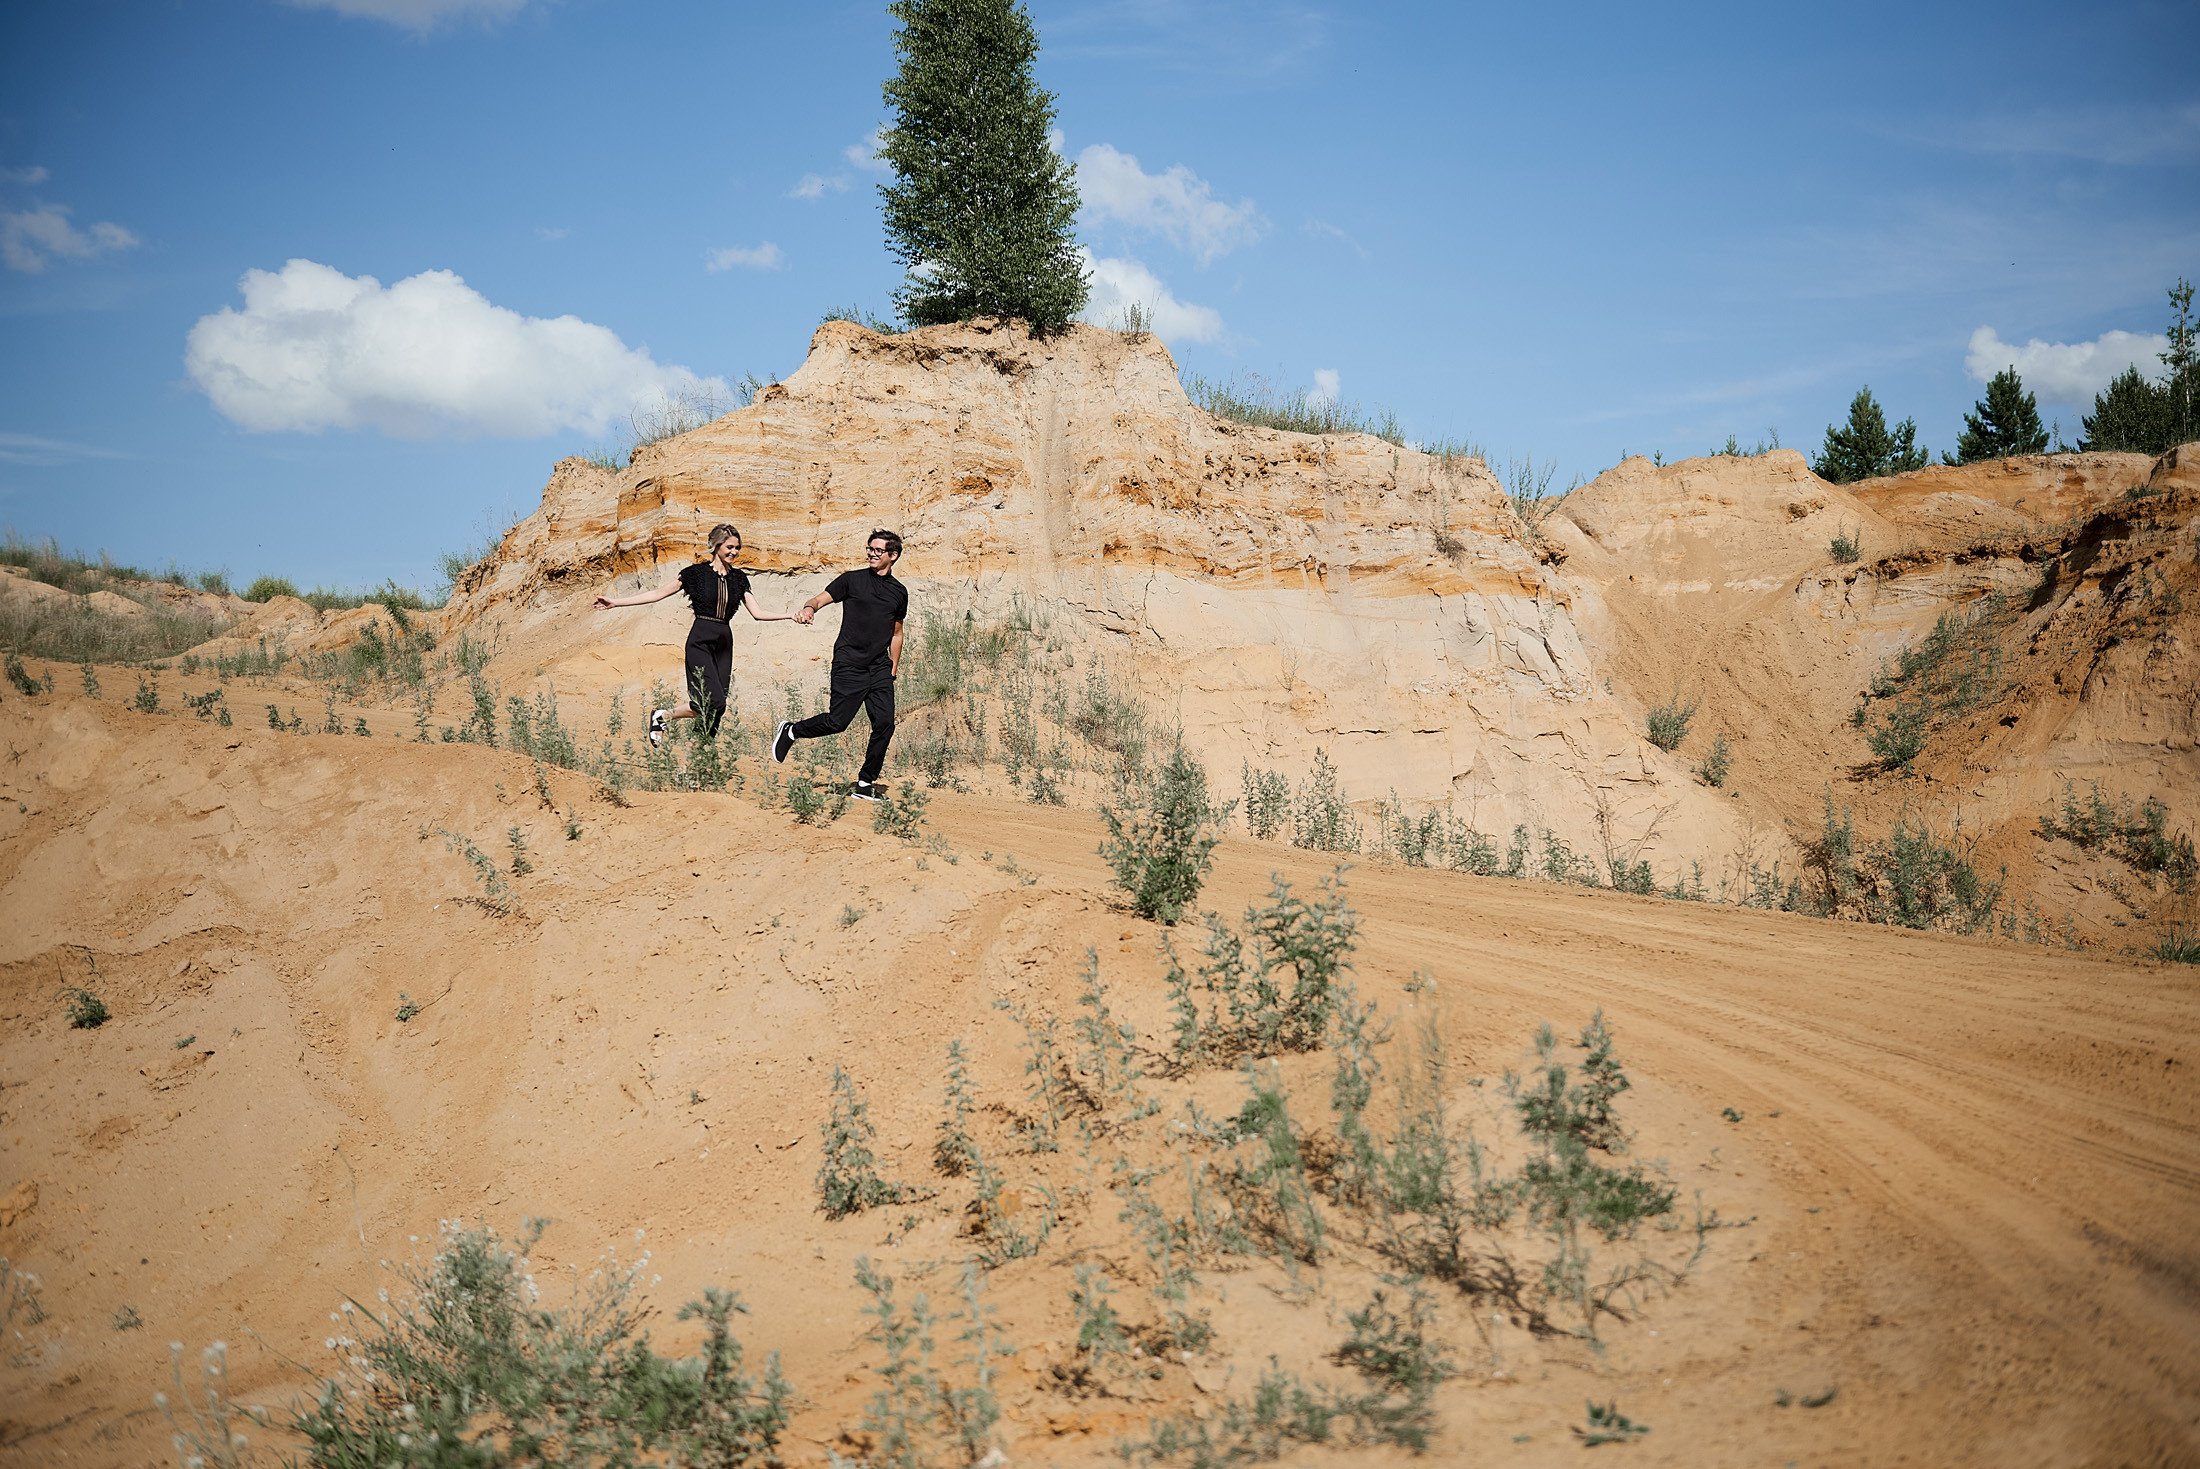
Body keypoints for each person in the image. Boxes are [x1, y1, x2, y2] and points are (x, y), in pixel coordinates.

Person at [592, 523, 795, 744]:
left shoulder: (739, 578)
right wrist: (616, 602)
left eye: (737, 547)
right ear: (716, 546)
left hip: (724, 644)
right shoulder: (695, 573)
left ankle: (696, 758)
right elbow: (658, 593)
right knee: (712, 700)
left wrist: (791, 615)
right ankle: (664, 715)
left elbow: (758, 613)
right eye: (729, 547)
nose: (734, 552)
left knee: (718, 706)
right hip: (700, 641)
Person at [773, 529, 907, 801]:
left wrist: (892, 669)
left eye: (878, 550)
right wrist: (809, 609)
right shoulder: (852, 580)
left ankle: (865, 784)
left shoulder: (899, 592)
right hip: (849, 664)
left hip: (879, 668)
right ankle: (792, 730)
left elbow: (897, 633)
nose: (871, 554)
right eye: (869, 548)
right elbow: (818, 600)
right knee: (837, 722)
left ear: (892, 555)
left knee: (885, 724)